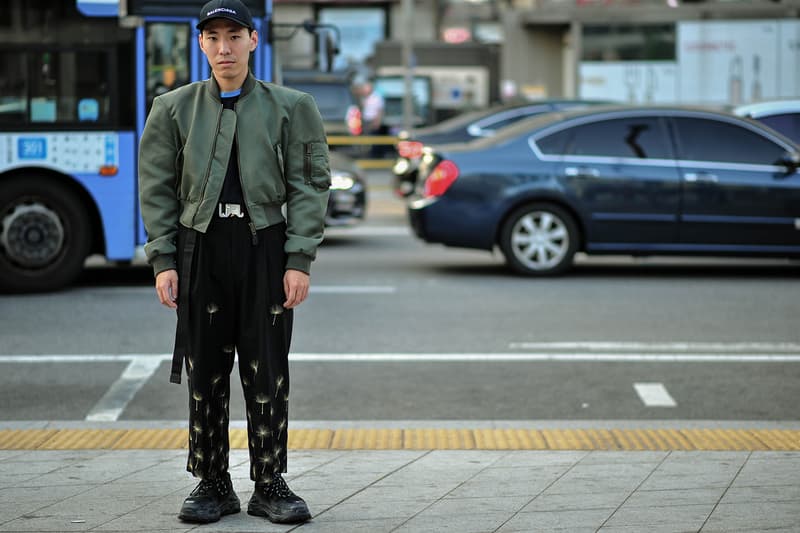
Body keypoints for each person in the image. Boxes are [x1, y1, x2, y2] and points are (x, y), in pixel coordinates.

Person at [137, 0, 330, 525]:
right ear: (200, 43)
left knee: (268, 369)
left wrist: (298, 257)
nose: (224, 48)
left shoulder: (291, 106)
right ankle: (212, 482)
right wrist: (163, 258)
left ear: (252, 40)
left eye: (234, 36)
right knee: (206, 368)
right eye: (213, 37)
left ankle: (270, 483)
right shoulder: (173, 107)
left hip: (264, 247)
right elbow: (155, 188)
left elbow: (310, 186)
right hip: (200, 247)